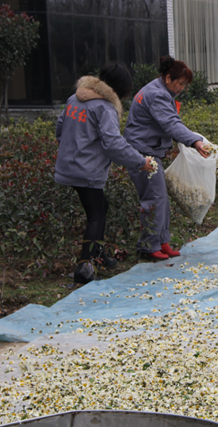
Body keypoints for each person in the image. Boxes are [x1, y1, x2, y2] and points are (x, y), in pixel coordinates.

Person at [55, 63, 153, 284]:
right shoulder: (104, 108)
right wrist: (140, 161)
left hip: (70, 166)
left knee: (101, 207)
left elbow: (60, 128)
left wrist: (70, 153)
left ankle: (98, 255)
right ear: (121, 89)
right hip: (86, 171)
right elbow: (113, 143)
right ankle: (84, 267)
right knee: (96, 215)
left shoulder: (74, 99)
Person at [124, 55, 209, 261]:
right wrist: (195, 141)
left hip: (148, 150)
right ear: (168, 78)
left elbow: (171, 122)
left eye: (184, 85)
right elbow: (171, 124)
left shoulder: (159, 90)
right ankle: (148, 246)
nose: (182, 88)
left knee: (160, 197)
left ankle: (161, 241)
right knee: (154, 198)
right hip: (142, 153)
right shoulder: (157, 95)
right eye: (180, 83)